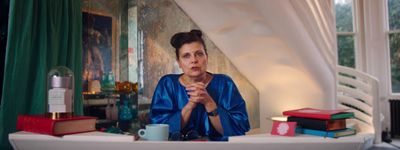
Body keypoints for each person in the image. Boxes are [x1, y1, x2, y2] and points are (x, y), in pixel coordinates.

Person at [150, 29, 250, 141]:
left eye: (199, 54)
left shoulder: (224, 83)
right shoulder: (167, 84)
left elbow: (237, 131)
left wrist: (208, 102)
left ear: (206, 57)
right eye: (186, 56)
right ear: (179, 62)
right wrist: (191, 104)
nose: (194, 60)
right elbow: (160, 131)